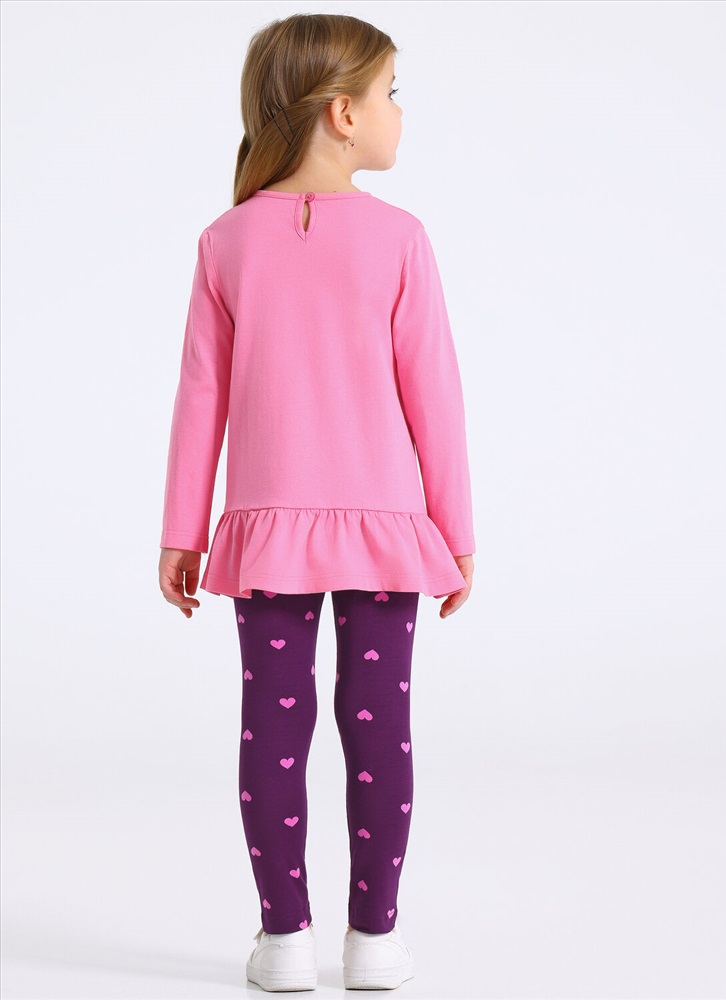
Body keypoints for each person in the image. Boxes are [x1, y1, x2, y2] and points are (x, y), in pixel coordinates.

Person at [157, 11, 475, 993]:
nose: (398, 113)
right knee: (381, 726)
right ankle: (373, 940)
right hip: (385, 531)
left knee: (273, 725)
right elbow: (437, 396)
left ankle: (284, 940)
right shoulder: (399, 238)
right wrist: (456, 532)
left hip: (267, 533)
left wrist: (182, 532)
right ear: (343, 112)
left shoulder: (226, 240)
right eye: (390, 94)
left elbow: (199, 398)